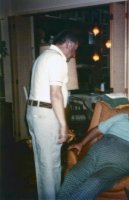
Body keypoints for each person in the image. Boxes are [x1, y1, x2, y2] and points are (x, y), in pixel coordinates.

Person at [56, 97, 129, 200]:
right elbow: (98, 129)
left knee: (94, 182)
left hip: (116, 167)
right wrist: (81, 144)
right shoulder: (121, 117)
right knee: (72, 175)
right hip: (93, 158)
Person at [26, 30, 78, 200]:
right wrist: (64, 125)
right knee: (51, 165)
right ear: (68, 44)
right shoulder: (57, 59)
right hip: (47, 116)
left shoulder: (43, 57)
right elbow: (55, 93)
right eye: (74, 49)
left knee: (42, 163)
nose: (73, 55)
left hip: (36, 113)